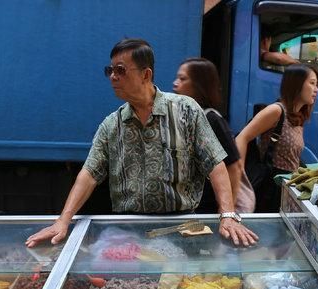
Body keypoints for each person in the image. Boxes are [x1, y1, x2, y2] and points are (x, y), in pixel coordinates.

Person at [26, 38, 258, 248]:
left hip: (182, 228)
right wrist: (62, 221)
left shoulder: (186, 110)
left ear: (146, 75)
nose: (113, 77)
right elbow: (89, 174)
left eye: (121, 70)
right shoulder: (112, 125)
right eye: (110, 70)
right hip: (128, 233)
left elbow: (215, 164)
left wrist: (228, 214)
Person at [172, 57, 255, 213]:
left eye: (183, 79)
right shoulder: (186, 116)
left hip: (207, 211)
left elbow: (234, 167)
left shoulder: (212, 119)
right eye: (177, 78)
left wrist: (226, 212)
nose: (175, 83)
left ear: (199, 84)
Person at [235, 64, 318, 213]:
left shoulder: (298, 118)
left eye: (316, 85)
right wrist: (238, 179)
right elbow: (242, 137)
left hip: (285, 188)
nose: (316, 89)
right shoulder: (276, 110)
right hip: (269, 187)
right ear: (297, 84)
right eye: (312, 83)